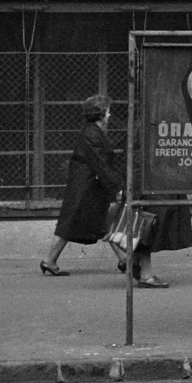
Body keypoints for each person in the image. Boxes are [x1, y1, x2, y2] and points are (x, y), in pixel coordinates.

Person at [41, 94, 124, 276]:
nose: (110, 115)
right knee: (77, 222)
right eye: (108, 112)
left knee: (95, 222)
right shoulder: (92, 134)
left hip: (87, 184)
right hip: (87, 185)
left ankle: (124, 259)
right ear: (100, 114)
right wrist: (118, 186)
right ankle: (49, 260)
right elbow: (101, 164)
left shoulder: (92, 132)